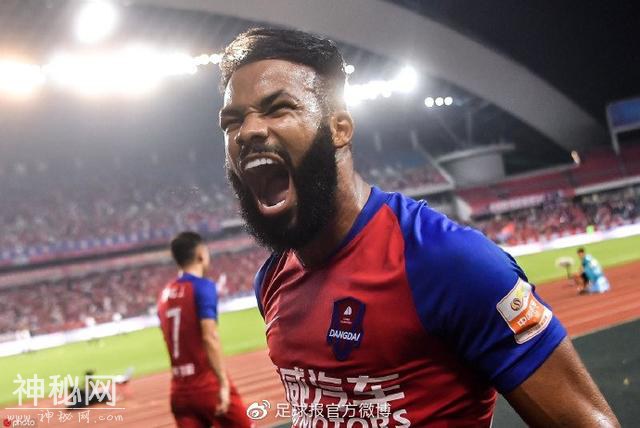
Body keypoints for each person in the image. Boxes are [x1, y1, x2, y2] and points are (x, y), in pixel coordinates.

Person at [218, 28, 619, 427]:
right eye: (232, 122)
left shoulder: (448, 261)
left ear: (340, 128)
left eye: (279, 108)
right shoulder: (271, 279)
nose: (247, 132)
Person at [157, 231, 252, 428]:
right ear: (201, 254)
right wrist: (223, 383)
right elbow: (209, 337)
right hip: (207, 386)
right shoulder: (202, 287)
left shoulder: (164, 294)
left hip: (179, 393)